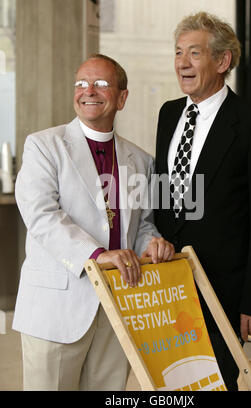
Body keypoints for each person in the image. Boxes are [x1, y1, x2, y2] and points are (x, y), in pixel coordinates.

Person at [13, 54, 174, 391]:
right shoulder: (44, 146)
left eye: (101, 83)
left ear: (122, 97)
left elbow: (143, 225)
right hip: (57, 308)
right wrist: (97, 254)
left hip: (117, 309)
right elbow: (42, 216)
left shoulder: (141, 160)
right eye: (81, 83)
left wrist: (152, 242)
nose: (88, 90)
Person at [154, 12, 251, 391]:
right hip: (167, 283)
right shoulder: (168, 114)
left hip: (223, 291)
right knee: (172, 383)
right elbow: (164, 193)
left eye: (194, 53)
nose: (182, 63)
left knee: (216, 383)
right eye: (178, 52)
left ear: (223, 61)